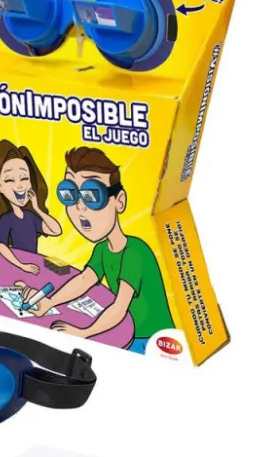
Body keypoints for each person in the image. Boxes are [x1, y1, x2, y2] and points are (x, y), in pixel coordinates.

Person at [21, 146, 174, 353]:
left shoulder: (135, 252)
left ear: (119, 201)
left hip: (151, 342)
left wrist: (83, 333)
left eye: (92, 194)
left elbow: (119, 308)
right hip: (124, 331)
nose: (79, 206)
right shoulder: (102, 249)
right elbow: (85, 279)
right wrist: (49, 302)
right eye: (69, 193)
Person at [0, 139, 61, 275]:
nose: (19, 185)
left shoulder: (31, 217)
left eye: (24, 178)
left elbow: (56, 231)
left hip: (33, 266)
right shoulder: (6, 219)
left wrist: (37, 208)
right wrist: (21, 265)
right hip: (15, 266)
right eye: (9, 180)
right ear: (0, 187)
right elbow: (2, 246)